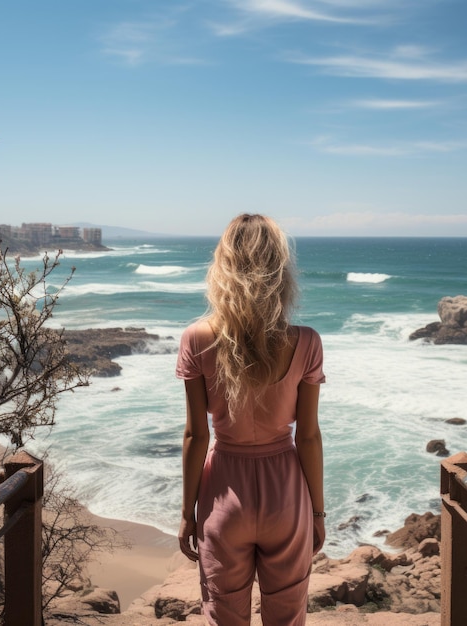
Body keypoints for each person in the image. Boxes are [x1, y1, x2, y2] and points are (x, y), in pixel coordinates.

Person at [175, 213, 325, 626]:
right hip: (287, 495)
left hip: (223, 495)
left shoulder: (196, 338)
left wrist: (188, 513)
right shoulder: (307, 341)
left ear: (223, 266)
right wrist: (317, 513)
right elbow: (308, 436)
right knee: (287, 616)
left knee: (224, 617)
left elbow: (195, 435)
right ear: (279, 269)